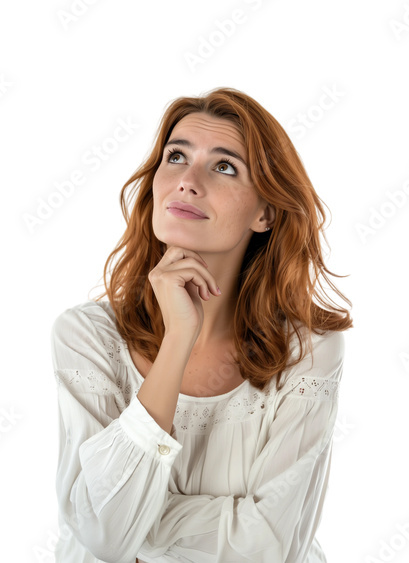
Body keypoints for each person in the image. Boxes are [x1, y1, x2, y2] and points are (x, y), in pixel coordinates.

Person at [51, 87, 353, 563]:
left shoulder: (309, 351)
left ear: (266, 212)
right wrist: (177, 342)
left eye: (224, 166)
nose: (187, 182)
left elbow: (272, 546)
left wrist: (140, 526)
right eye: (176, 156)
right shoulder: (87, 337)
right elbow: (104, 535)